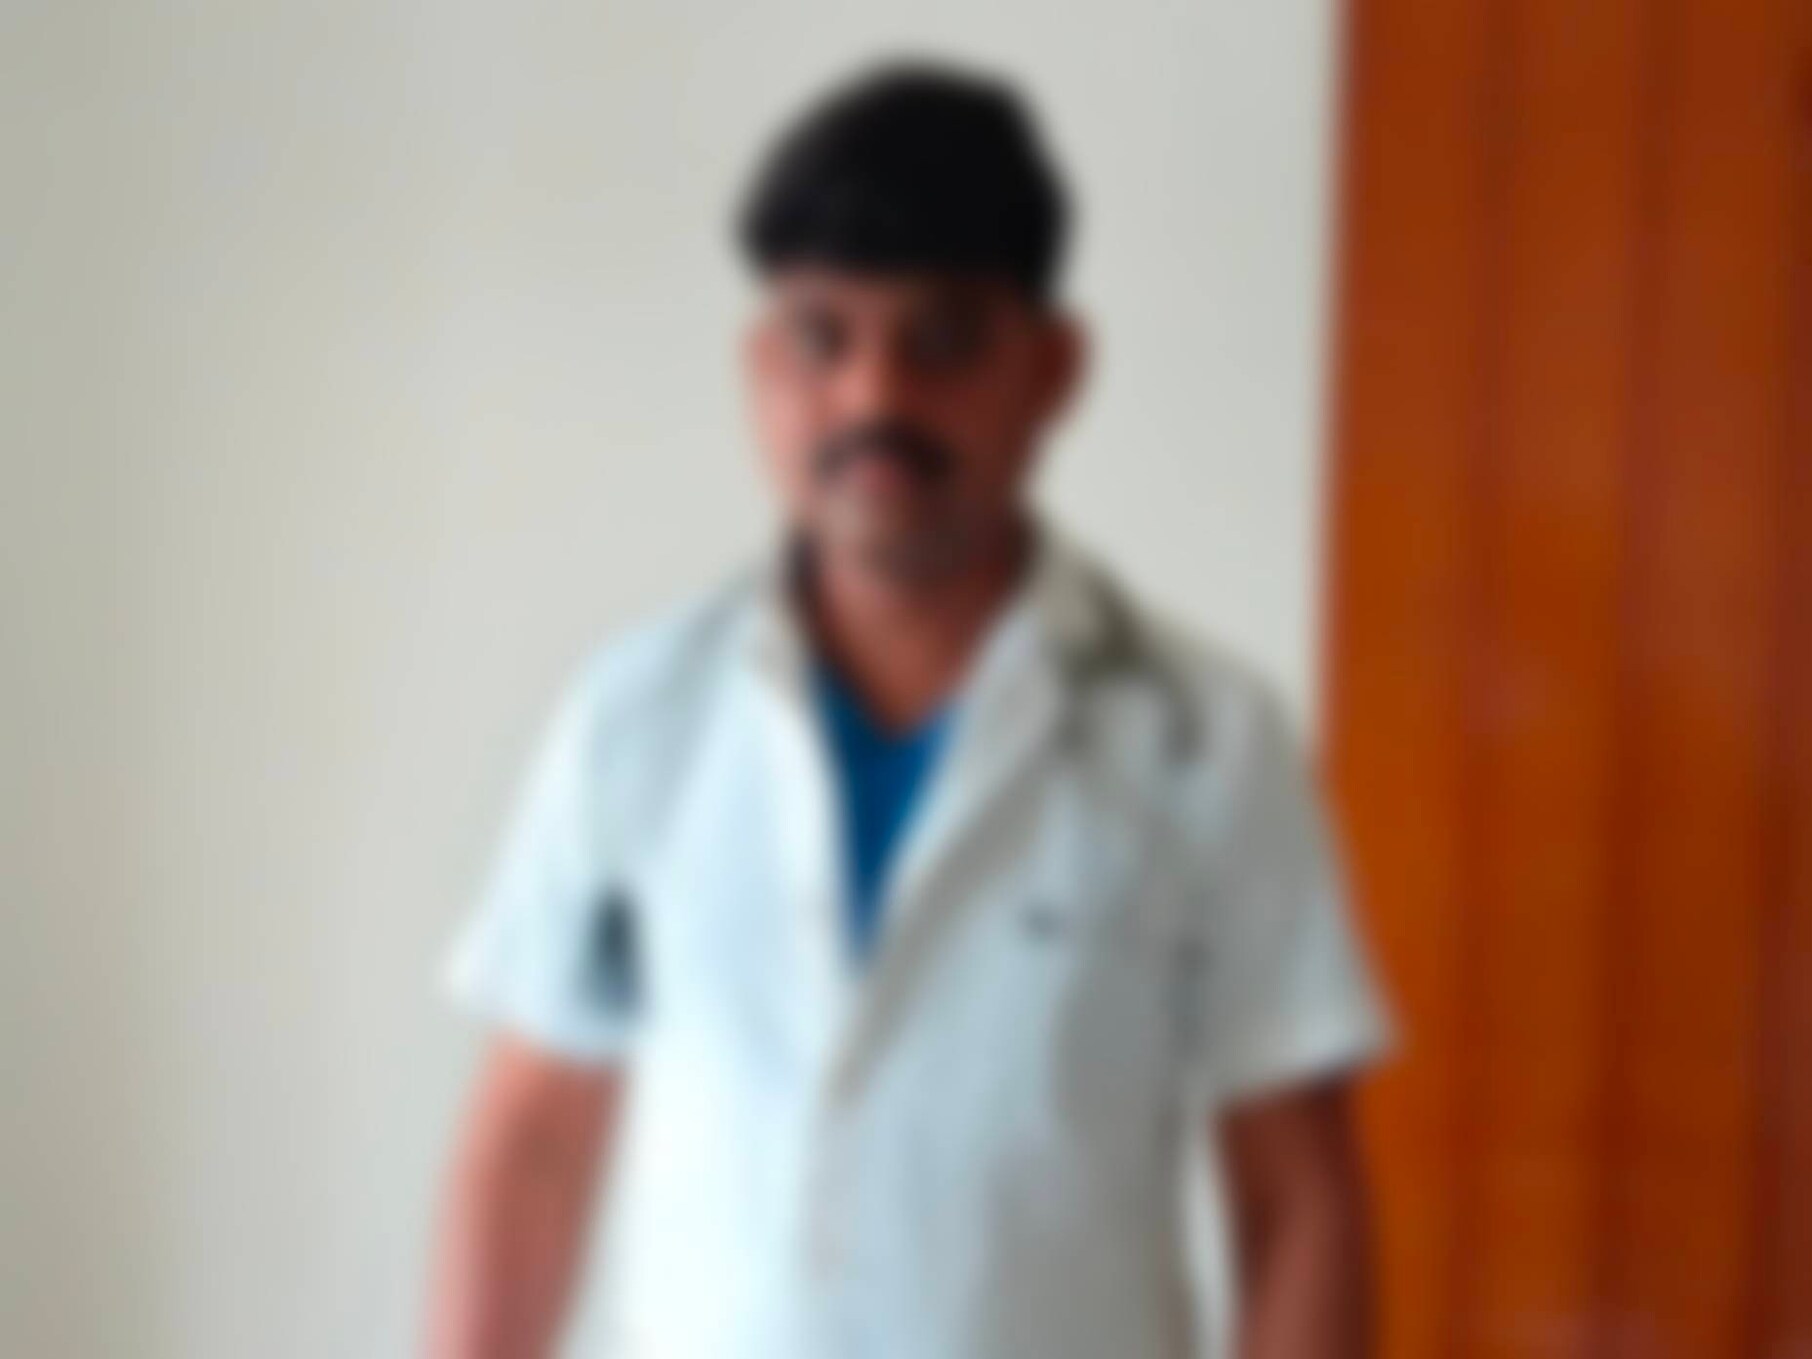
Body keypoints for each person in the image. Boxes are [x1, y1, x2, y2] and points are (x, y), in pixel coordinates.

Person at [425, 58, 1393, 1359]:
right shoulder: (637, 721)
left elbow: (1301, 1201)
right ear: (760, 369)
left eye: (940, 341)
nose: (875, 398)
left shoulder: (1199, 741)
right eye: (822, 337)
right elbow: (534, 1147)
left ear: (1052, 369)